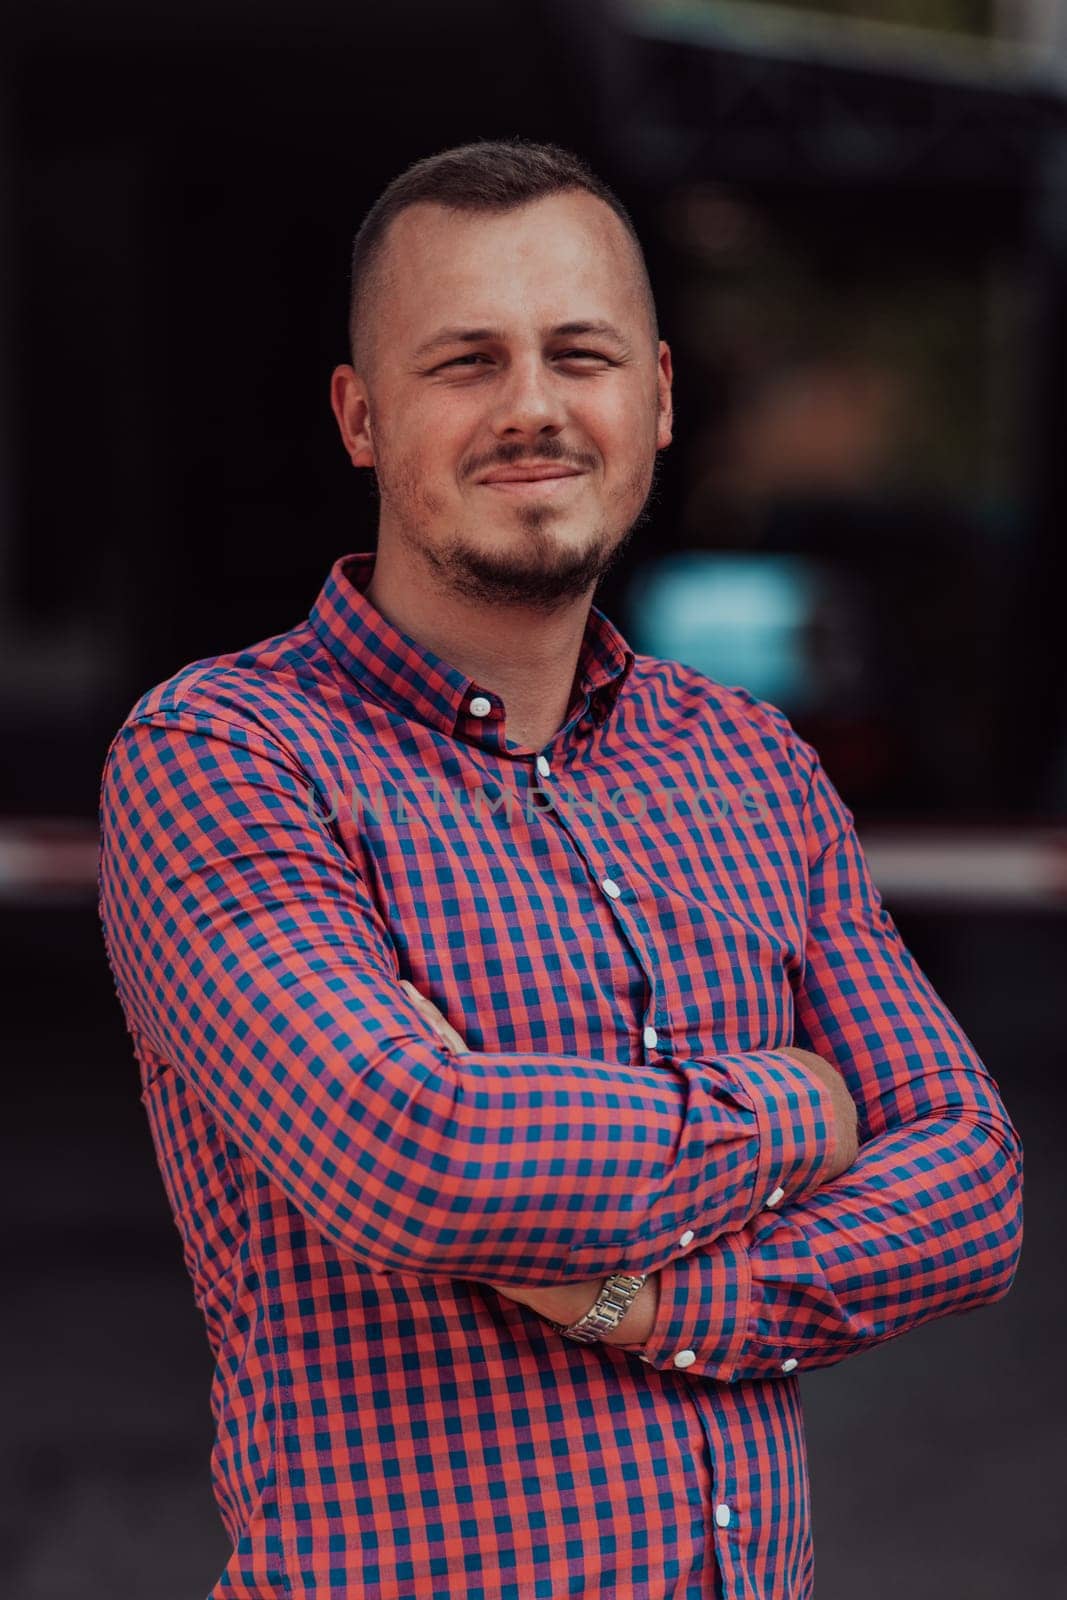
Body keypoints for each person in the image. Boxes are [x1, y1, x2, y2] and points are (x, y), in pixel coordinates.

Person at [96, 138, 1023, 1600]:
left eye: (576, 354)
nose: (530, 408)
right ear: (361, 414)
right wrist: (805, 1105)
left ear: (653, 396)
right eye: (463, 362)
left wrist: (644, 1303)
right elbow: (418, 1150)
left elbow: (971, 1188)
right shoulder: (223, 755)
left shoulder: (754, 765)